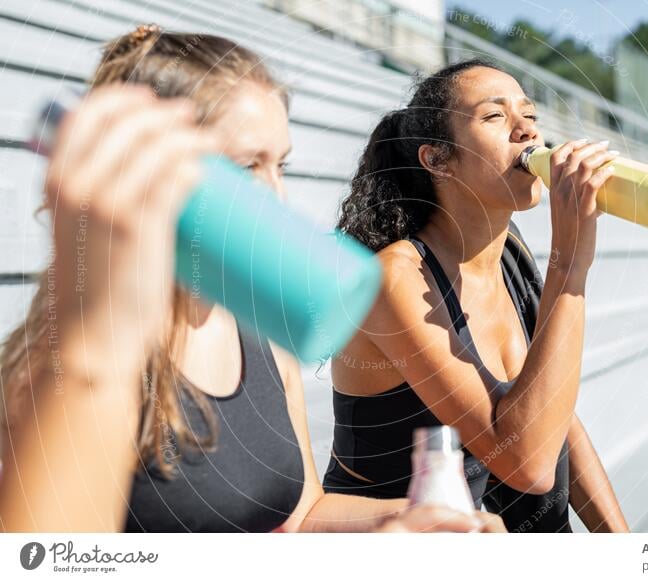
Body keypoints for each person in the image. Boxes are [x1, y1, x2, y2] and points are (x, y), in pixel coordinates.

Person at [0, 26, 503, 534]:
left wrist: (420, 522)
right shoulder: (60, 368)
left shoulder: (260, 328)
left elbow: (301, 515)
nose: (276, 196)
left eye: (279, 164)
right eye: (246, 166)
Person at [323, 59, 629, 533]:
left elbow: (554, 412)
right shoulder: (395, 278)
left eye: (530, 115)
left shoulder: (512, 252)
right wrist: (569, 264)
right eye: (494, 116)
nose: (526, 131)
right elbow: (525, 465)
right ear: (437, 160)